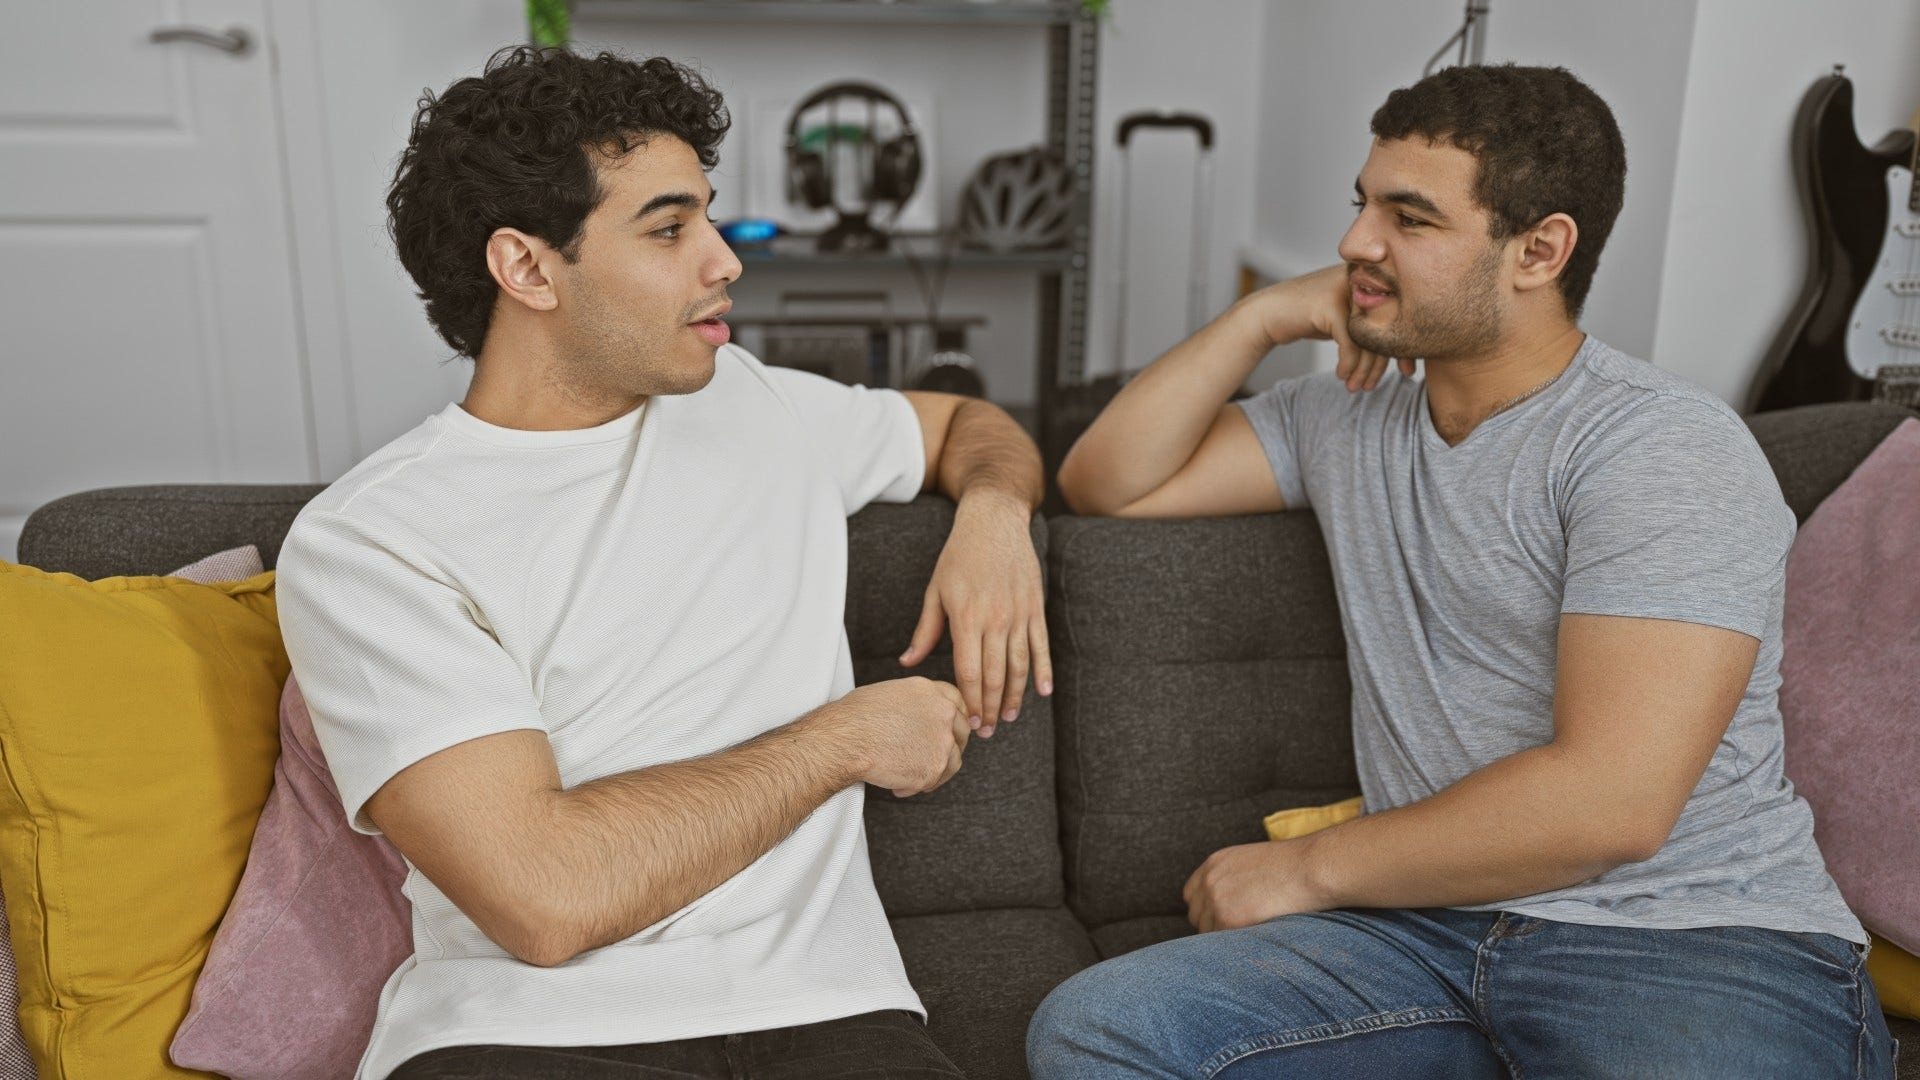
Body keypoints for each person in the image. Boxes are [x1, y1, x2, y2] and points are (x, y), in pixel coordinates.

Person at [1031, 63, 1894, 1079]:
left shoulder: (1661, 449)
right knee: (1100, 1033)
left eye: (1411, 218)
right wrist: (1268, 317)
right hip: (1415, 935)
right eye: (1362, 205)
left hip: (1690, 944)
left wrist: (1308, 868)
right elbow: (1106, 482)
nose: (1357, 241)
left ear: (1539, 250)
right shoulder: (1344, 419)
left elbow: (1609, 804)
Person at [275, 46, 1052, 1080]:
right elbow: (547, 899)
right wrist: (841, 741)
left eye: (709, 219)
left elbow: (967, 424)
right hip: (525, 1036)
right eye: (669, 229)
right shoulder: (372, 541)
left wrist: (996, 514)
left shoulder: (758, 404)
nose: (725, 261)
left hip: (834, 1020)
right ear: (528, 268)